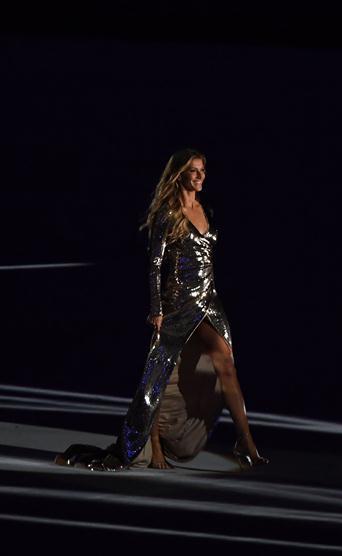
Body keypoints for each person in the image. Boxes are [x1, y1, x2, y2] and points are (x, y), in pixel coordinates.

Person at [55, 148, 269, 471]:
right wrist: (156, 309)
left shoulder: (206, 209)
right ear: (180, 174)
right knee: (158, 373)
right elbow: (155, 266)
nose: (200, 176)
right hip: (177, 304)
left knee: (225, 361)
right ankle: (153, 446)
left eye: (203, 171)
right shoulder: (168, 215)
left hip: (209, 300)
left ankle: (247, 443)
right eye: (194, 171)